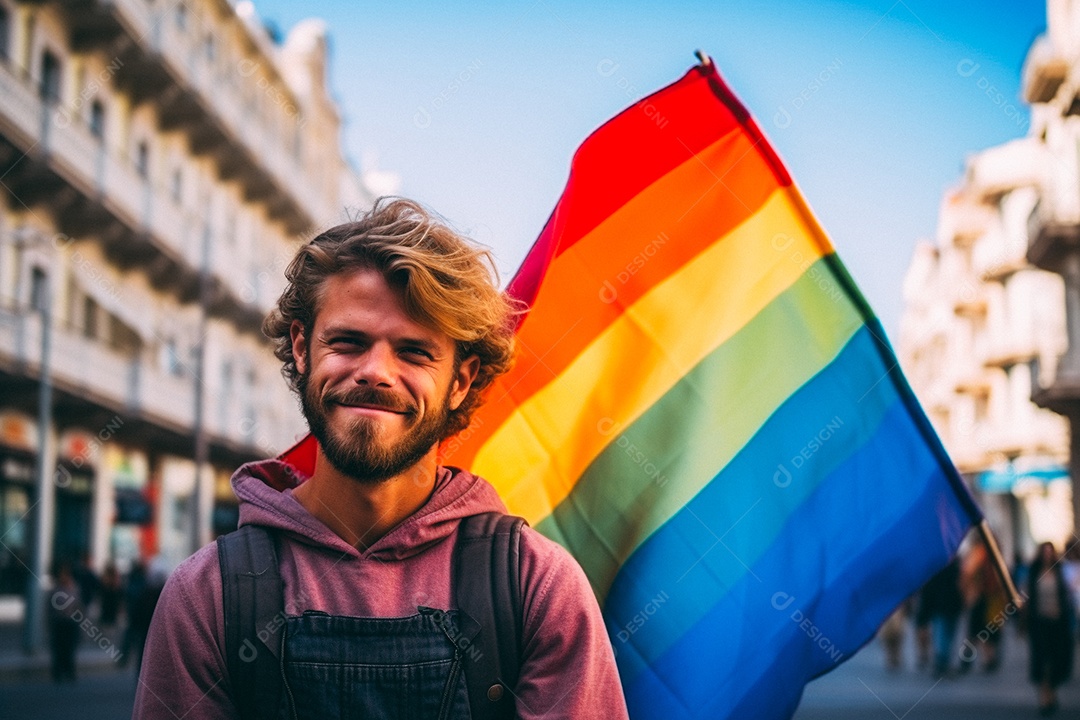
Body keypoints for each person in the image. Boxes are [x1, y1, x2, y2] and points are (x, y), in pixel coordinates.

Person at [132, 198, 628, 719]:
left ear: (460, 381)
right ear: (301, 348)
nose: (375, 372)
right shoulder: (206, 595)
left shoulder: (537, 587)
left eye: (414, 352)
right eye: (348, 342)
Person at [1027, 542, 1075, 716]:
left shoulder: (1060, 571)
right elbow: (1028, 597)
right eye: (1045, 552)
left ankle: (1052, 692)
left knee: (1056, 661)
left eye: (1050, 552)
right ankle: (1044, 697)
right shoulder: (1034, 572)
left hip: (1058, 624)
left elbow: (1069, 594)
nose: (1047, 555)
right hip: (1039, 624)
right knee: (1042, 661)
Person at [47, 561, 83, 683]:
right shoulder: (55, 589)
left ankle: (69, 672)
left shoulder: (74, 588)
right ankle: (58, 673)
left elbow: (78, 606)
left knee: (69, 649)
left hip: (70, 622)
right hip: (59, 622)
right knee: (58, 649)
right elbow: (50, 608)